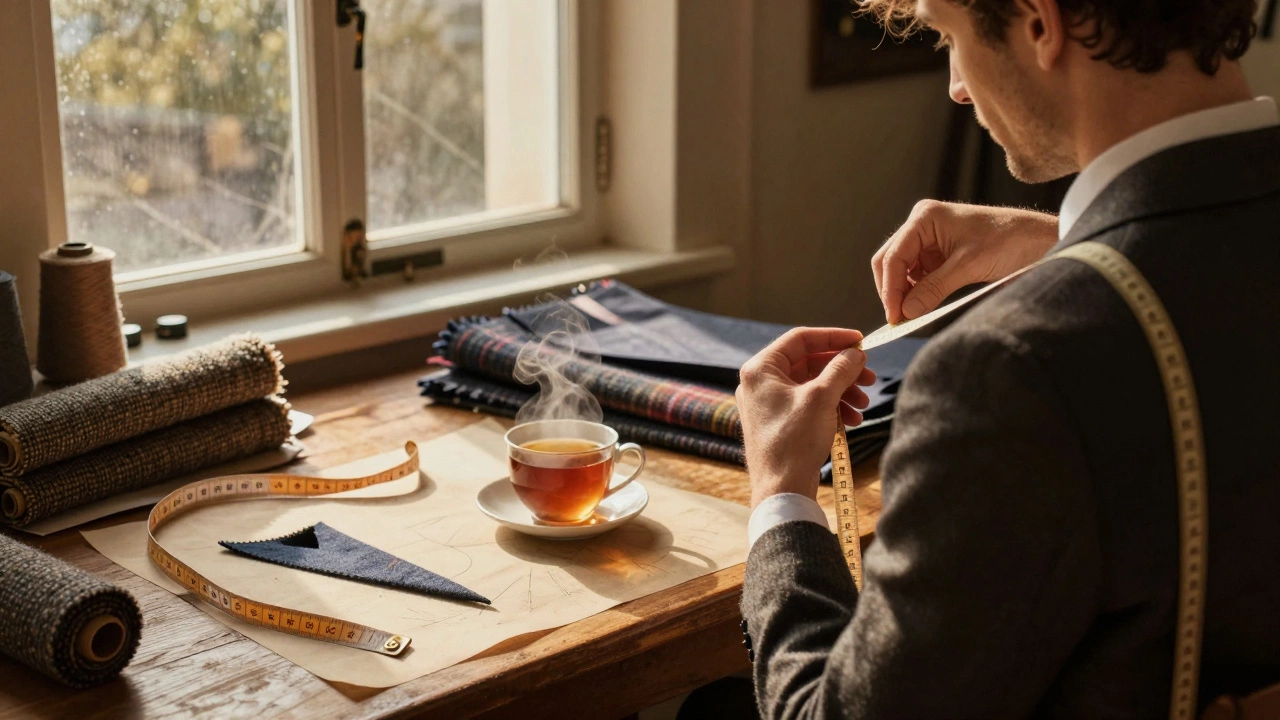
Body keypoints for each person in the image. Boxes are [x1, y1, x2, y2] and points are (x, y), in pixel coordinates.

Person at [734, 0, 1280, 717]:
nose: (958, 85)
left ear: (1038, 21)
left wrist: (780, 496)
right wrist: (1071, 243)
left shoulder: (1010, 374)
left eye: (951, 36)